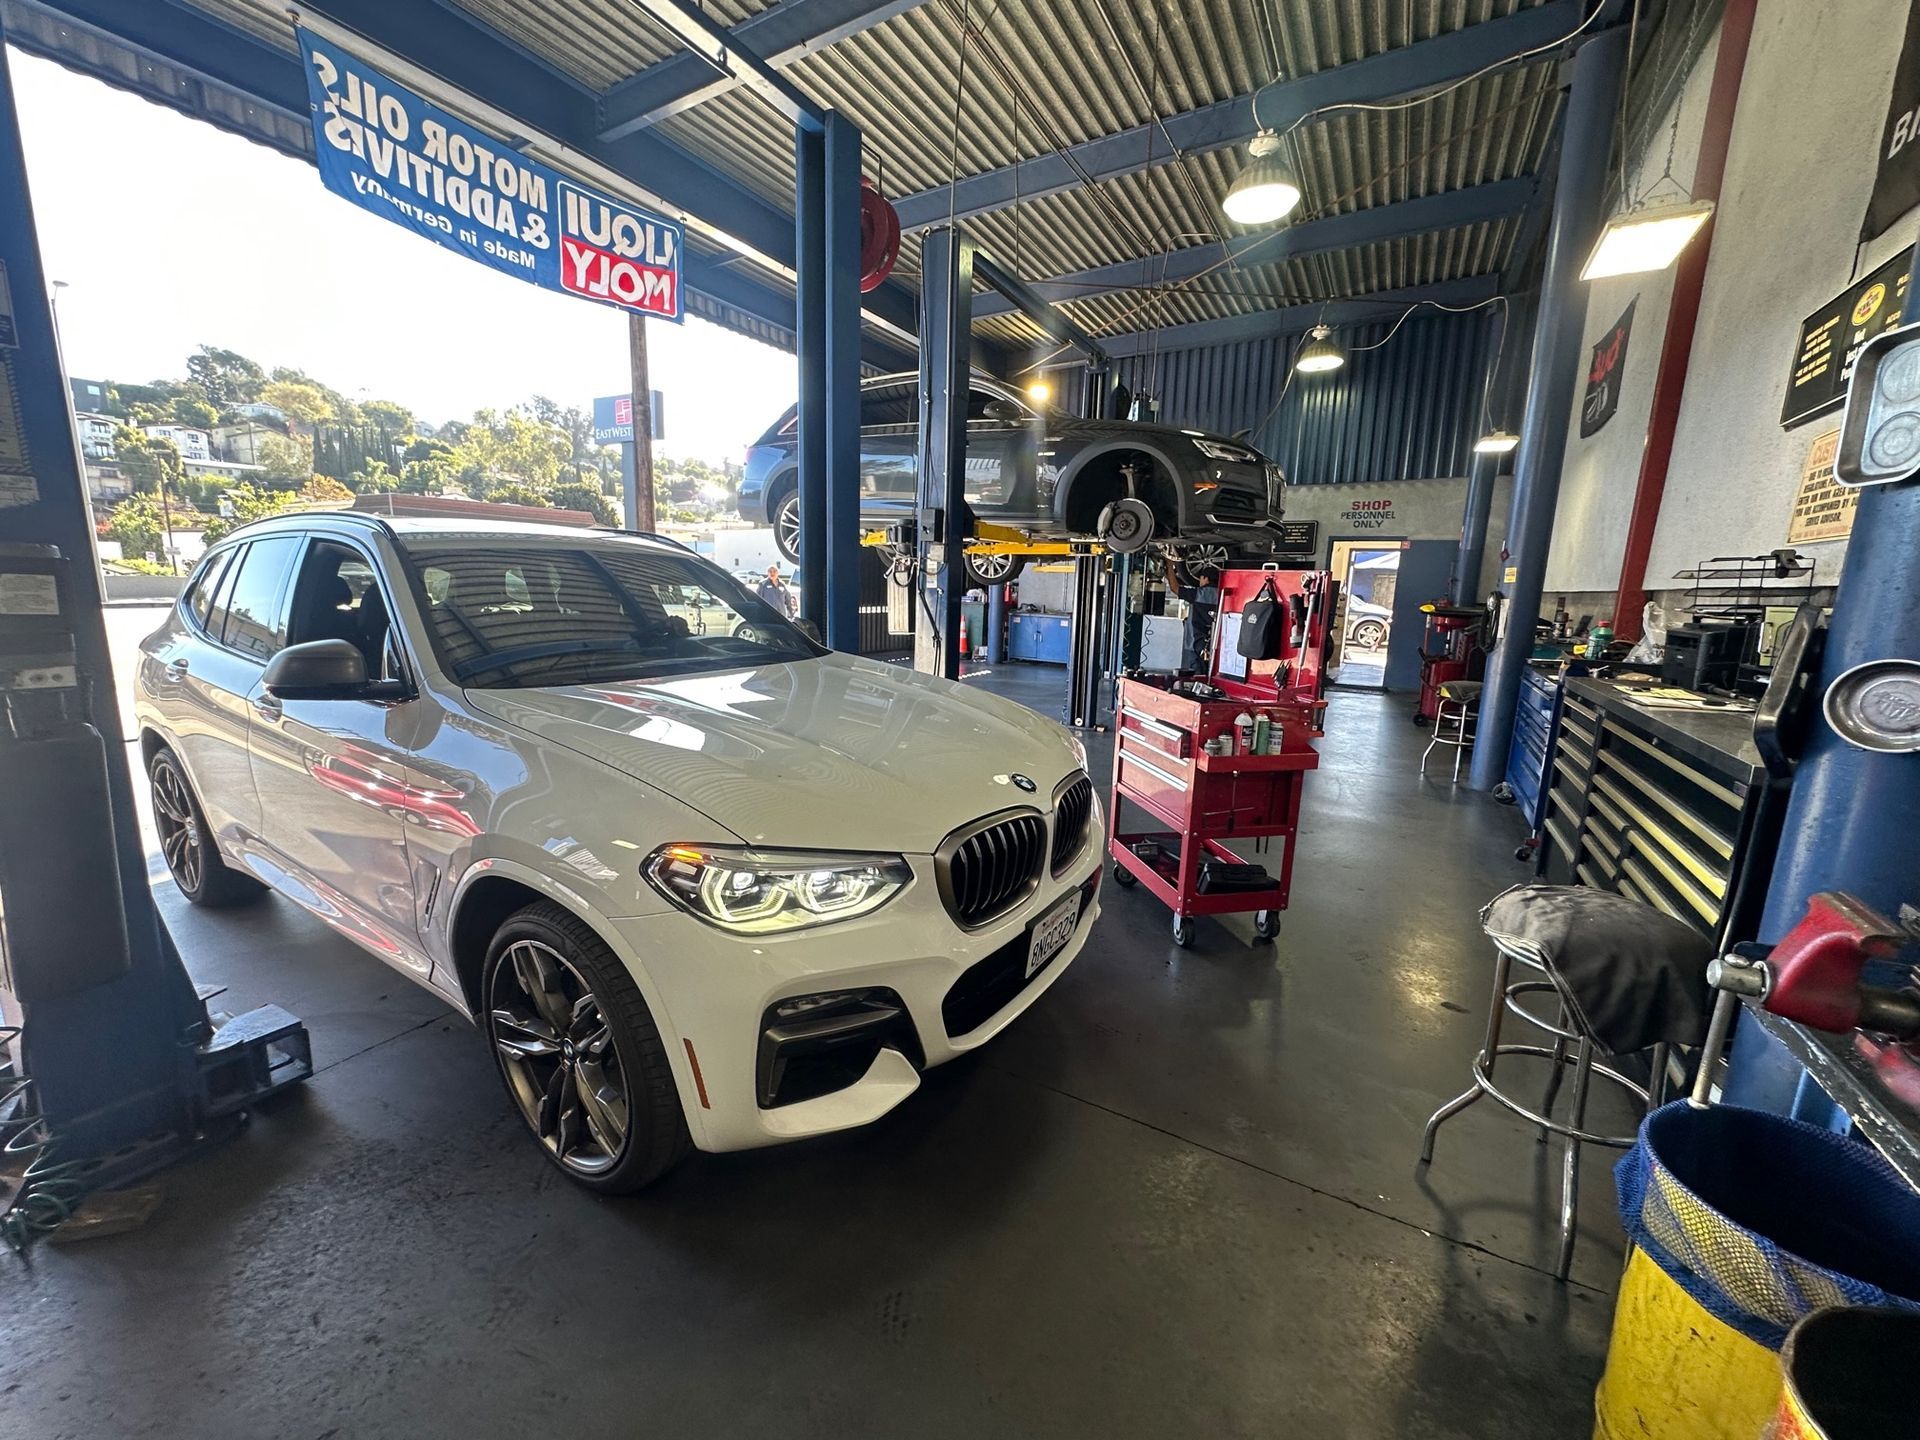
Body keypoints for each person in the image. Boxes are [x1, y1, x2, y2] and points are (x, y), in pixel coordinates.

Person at [1162, 553, 1220, 674]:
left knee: (1194, 678)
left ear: (1205, 578)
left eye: (1201, 578)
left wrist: (1169, 565)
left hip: (1195, 645)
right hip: (1215, 646)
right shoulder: (1223, 595)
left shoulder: (1199, 594)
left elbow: (1175, 588)